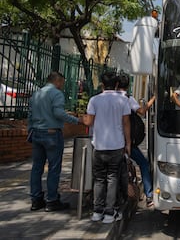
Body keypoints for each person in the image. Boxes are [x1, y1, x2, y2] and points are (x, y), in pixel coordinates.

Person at [28, 71, 84, 212]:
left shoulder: (37, 94)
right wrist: (77, 121)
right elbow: (58, 113)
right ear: (57, 81)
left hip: (36, 132)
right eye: (62, 83)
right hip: (52, 134)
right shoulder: (57, 94)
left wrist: (30, 130)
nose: (62, 86)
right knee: (54, 168)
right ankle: (52, 200)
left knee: (37, 168)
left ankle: (36, 199)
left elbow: (30, 114)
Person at [83, 71, 131, 224]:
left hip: (99, 145)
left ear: (102, 85)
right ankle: (110, 213)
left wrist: (82, 118)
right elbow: (126, 124)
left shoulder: (94, 100)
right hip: (117, 145)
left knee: (99, 179)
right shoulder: (123, 100)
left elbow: (89, 122)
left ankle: (97, 211)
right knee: (112, 178)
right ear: (117, 84)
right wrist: (128, 143)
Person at [117, 74, 156, 207]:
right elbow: (142, 111)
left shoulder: (103, 98)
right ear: (128, 86)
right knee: (144, 164)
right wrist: (153, 99)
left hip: (107, 141)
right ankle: (149, 195)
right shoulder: (127, 99)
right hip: (125, 141)